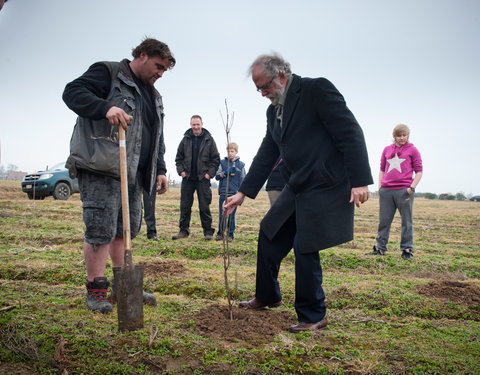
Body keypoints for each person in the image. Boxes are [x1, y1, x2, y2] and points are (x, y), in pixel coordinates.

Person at [224, 54, 372, 333]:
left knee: (305, 246)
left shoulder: (316, 90)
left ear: (281, 75)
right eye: (258, 89)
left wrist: (360, 180)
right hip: (297, 185)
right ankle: (267, 295)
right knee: (269, 232)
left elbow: (350, 132)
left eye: (265, 87)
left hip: (325, 183)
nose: (263, 94)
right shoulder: (274, 111)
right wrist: (243, 192)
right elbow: (268, 151)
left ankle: (313, 314)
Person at [63, 38, 176, 314]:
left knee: (124, 231)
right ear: (143, 55)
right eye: (158, 66)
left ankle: (122, 286)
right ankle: (96, 290)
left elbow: (156, 135)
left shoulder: (154, 95)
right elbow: (72, 92)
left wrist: (160, 168)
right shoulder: (109, 74)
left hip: (135, 173)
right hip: (103, 166)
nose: (160, 74)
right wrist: (105, 107)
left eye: (165, 70)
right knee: (100, 230)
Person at [368, 124, 423, 260]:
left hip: (404, 191)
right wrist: (380, 186)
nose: (402, 138)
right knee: (384, 221)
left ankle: (407, 249)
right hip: (387, 190)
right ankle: (380, 248)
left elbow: (419, 171)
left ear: (408, 135)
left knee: (406, 221)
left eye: (404, 135)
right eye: (399, 135)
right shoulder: (387, 150)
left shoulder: (413, 150)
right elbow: (382, 169)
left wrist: (412, 187)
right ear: (394, 136)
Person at [172, 115, 220, 240]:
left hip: (203, 179)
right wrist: (181, 171)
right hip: (187, 178)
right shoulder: (185, 140)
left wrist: (209, 174)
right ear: (190, 124)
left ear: (202, 124)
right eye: (194, 125)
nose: (196, 127)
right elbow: (178, 158)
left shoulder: (209, 140)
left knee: (204, 206)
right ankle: (183, 231)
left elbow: (215, 159)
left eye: (198, 124)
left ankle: (208, 232)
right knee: (185, 206)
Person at [215, 142, 246, 242]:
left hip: (234, 194)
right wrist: (225, 172)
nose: (230, 153)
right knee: (222, 214)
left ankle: (230, 234)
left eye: (232, 151)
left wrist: (241, 194)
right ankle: (220, 233)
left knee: (232, 215)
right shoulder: (222, 163)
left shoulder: (241, 165)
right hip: (224, 193)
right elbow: (217, 176)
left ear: (236, 152)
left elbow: (243, 180)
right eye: (228, 151)